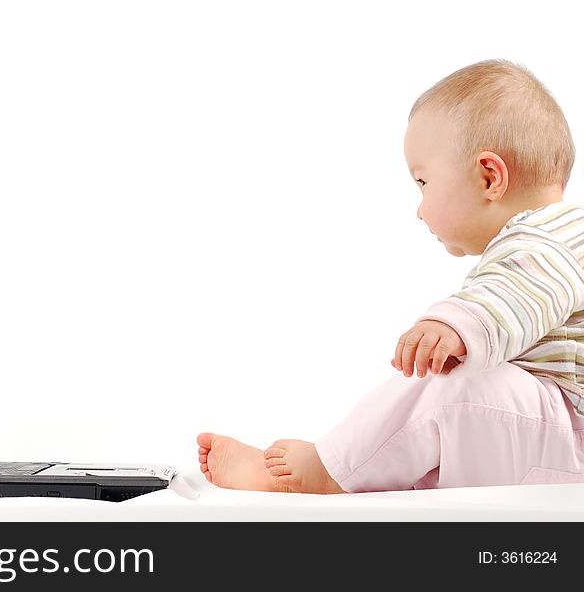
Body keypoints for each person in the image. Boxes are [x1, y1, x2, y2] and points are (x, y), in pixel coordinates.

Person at [197, 59, 584, 494]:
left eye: (423, 182)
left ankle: (323, 472)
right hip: (549, 441)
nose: (419, 207)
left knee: (458, 383)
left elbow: (521, 289)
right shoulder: (557, 236)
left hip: (566, 435)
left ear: (489, 177)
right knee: (461, 402)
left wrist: (458, 324)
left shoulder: (548, 237)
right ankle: (382, 475)